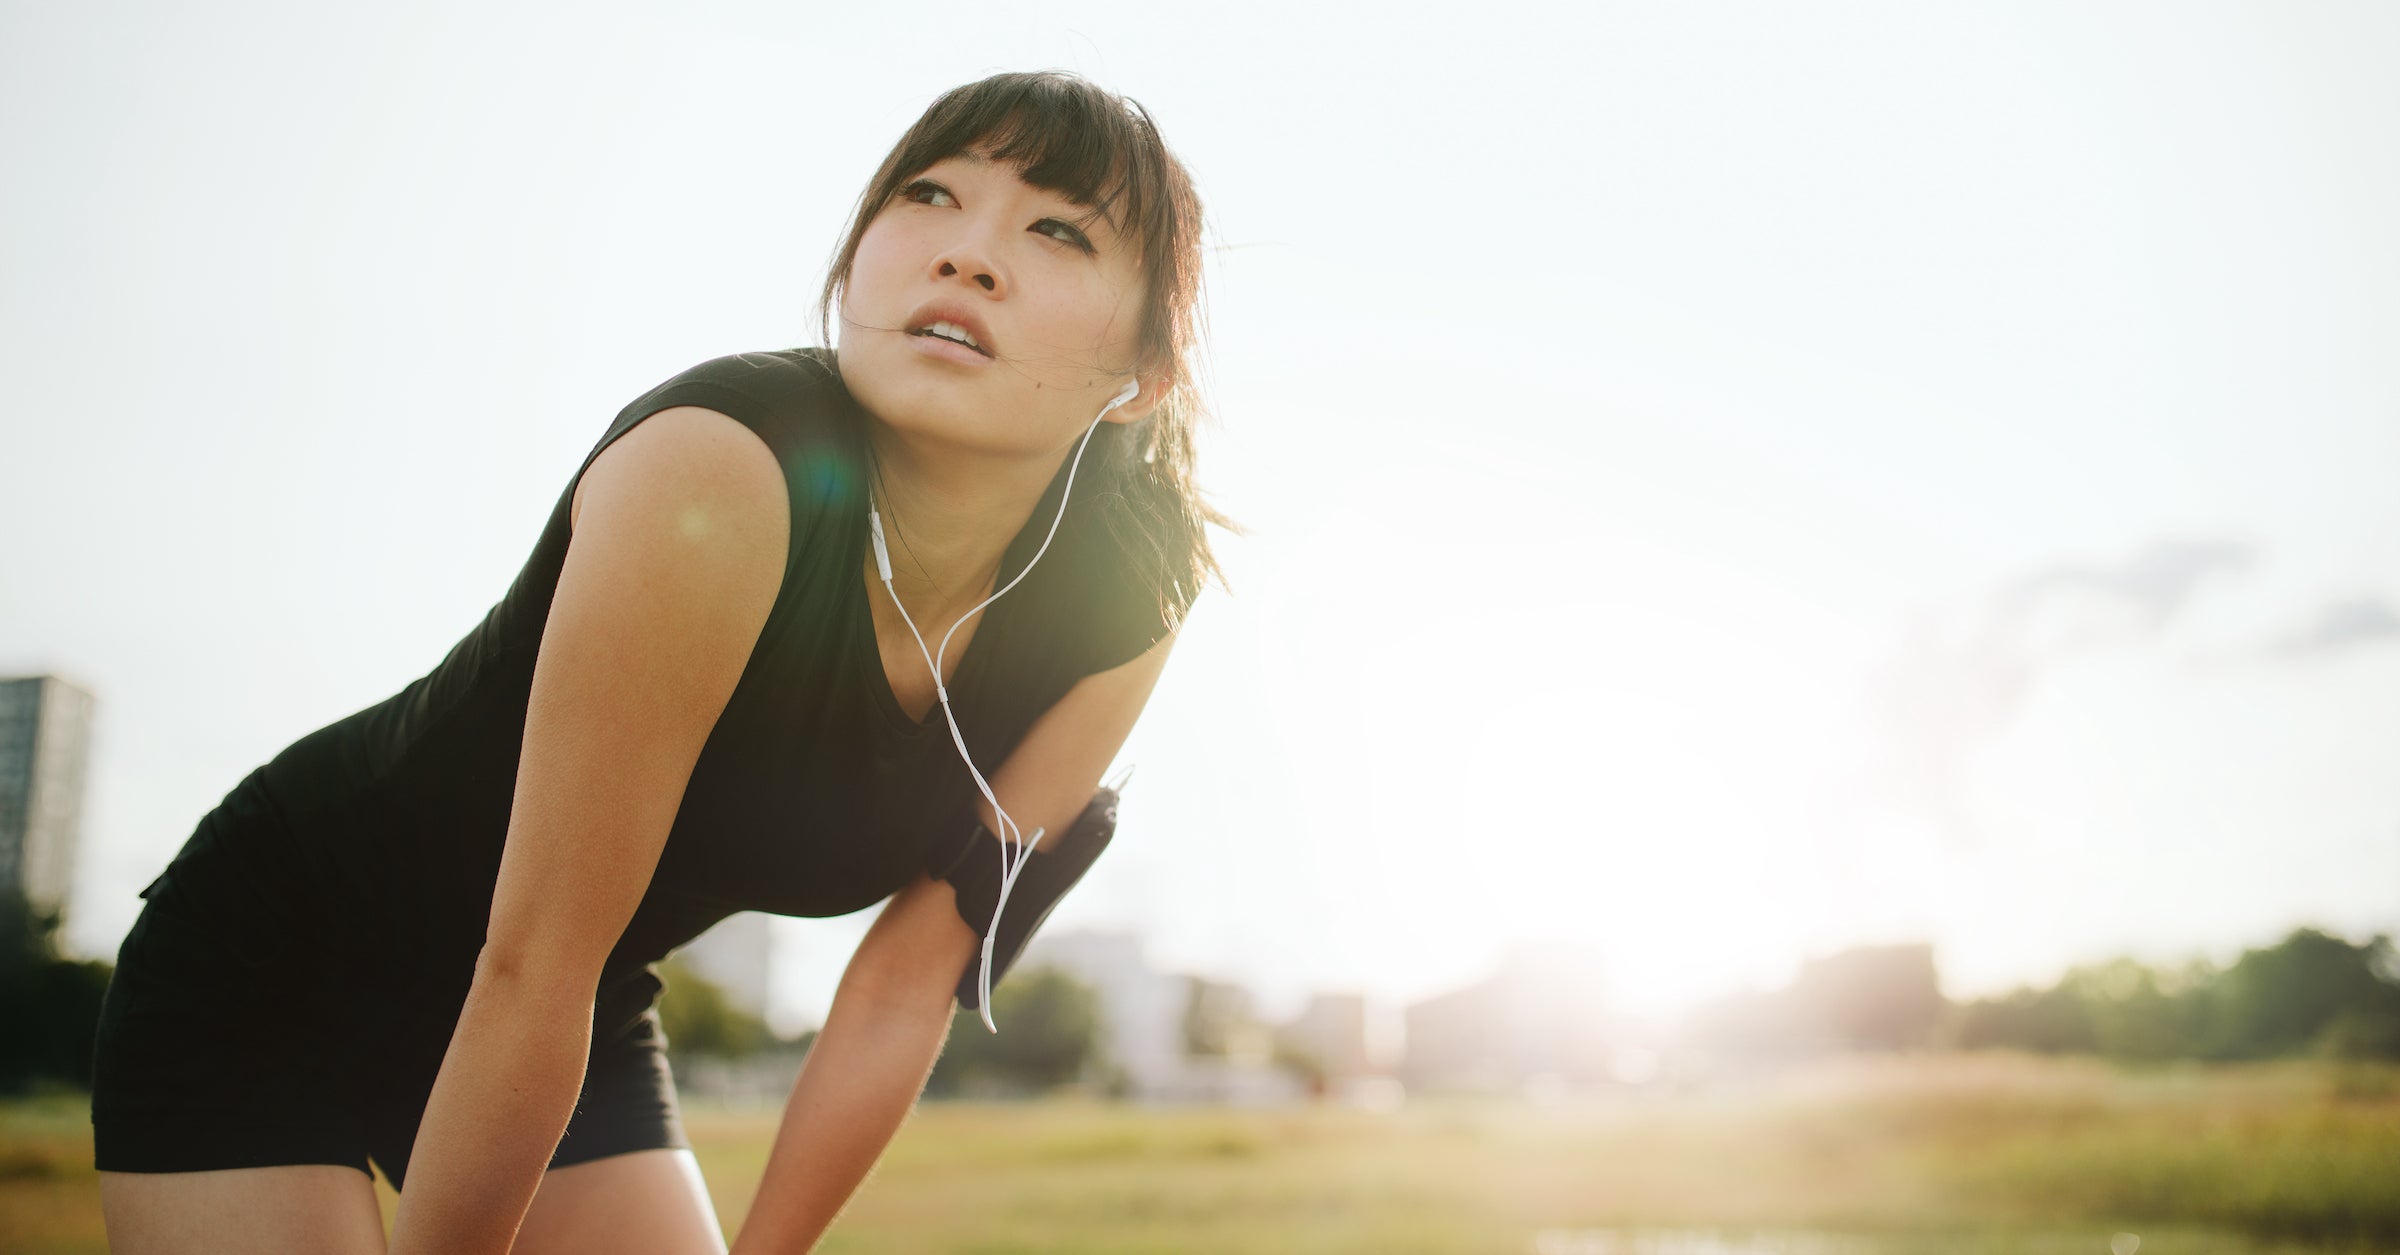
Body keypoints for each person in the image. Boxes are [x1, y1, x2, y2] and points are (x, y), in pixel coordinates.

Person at [88, 69, 1228, 1254]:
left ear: (1142, 378)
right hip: (285, 955)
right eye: (929, 196)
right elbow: (531, 956)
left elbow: (903, 985)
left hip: (573, 1004)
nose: (968, 255)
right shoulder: (719, 471)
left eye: (1055, 229)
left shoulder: (1126, 592)